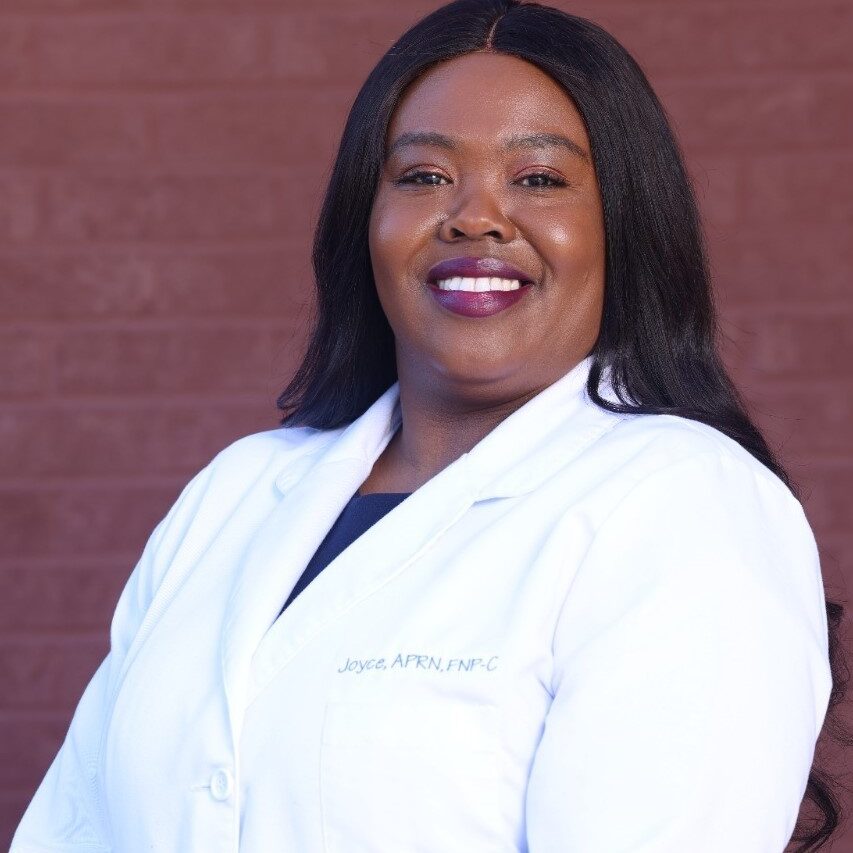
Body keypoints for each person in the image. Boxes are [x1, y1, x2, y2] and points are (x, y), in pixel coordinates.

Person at [12, 1, 844, 851]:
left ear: (623, 228)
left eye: (539, 179)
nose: (474, 217)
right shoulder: (234, 493)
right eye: (422, 176)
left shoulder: (683, 503)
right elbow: (74, 829)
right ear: (363, 222)